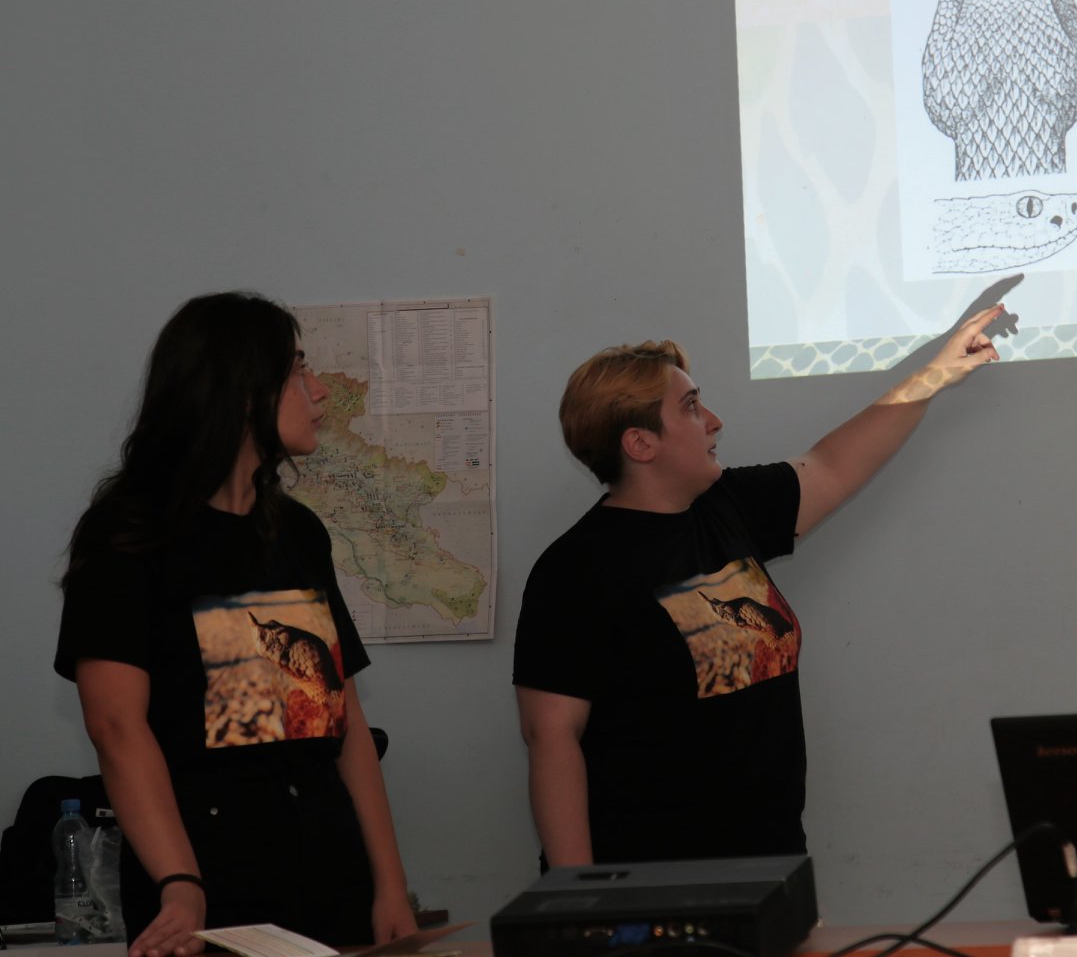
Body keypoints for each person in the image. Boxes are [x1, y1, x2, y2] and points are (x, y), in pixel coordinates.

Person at [513, 303, 1007, 867]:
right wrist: (580, 897)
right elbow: (551, 739)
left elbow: (835, 465)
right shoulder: (575, 569)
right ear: (640, 444)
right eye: (691, 407)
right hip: (648, 878)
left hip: (770, 862)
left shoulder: (728, 508)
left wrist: (937, 373)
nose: (714, 421)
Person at [55, 292, 418, 957]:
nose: (319, 392)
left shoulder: (297, 532)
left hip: (328, 879)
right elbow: (115, 725)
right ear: (243, 393)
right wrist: (180, 881)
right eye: (297, 372)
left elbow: (343, 722)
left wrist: (390, 884)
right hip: (203, 890)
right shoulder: (129, 536)